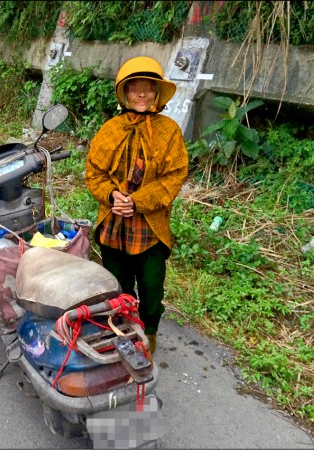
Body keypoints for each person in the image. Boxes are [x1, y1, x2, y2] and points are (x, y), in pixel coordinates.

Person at [84, 56, 189, 355]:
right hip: (114, 223)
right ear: (125, 93)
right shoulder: (110, 129)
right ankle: (125, 335)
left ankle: (150, 336)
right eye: (135, 88)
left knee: (152, 286)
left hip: (150, 227)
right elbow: (94, 173)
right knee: (119, 287)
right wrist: (112, 196)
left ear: (157, 94)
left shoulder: (168, 132)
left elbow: (175, 175)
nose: (142, 94)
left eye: (149, 88)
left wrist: (138, 201)